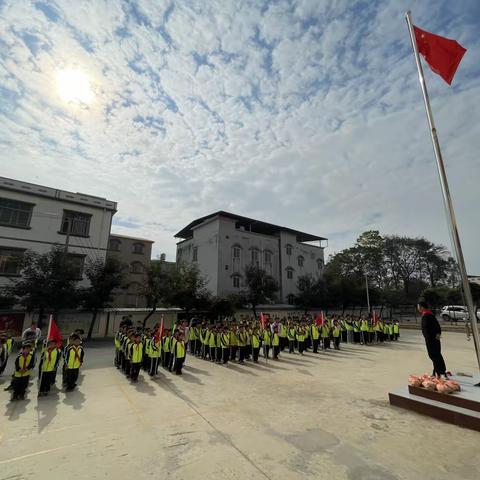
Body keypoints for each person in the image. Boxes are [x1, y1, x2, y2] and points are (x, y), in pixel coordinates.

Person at [418, 300, 448, 378]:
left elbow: (426, 329)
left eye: (418, 307)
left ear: (422, 307)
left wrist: (429, 338)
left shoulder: (426, 315)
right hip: (435, 338)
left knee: (433, 355)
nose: (418, 308)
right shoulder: (430, 314)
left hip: (430, 339)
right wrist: (438, 336)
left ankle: (438, 373)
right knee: (437, 354)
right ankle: (440, 371)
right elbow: (438, 327)